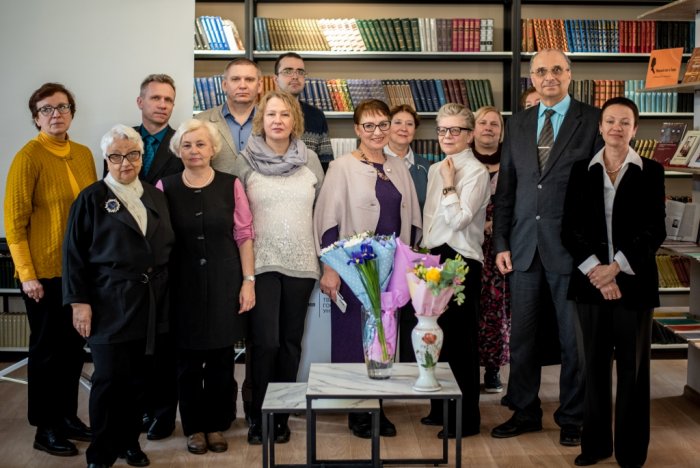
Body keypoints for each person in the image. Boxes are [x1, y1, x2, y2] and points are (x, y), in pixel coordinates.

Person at [492, 48, 603, 447]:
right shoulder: (518, 123)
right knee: (522, 338)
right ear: (532, 78)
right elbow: (507, 188)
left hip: (572, 251)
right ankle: (525, 411)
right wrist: (501, 241)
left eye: (557, 69)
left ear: (569, 74)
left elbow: (598, 193)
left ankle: (573, 417)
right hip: (523, 248)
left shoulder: (591, 120)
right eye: (541, 71)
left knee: (574, 341)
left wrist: (595, 252)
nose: (549, 77)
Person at [561, 97, 666, 468]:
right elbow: (569, 230)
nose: (616, 128)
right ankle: (596, 446)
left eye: (624, 122)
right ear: (600, 126)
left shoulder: (651, 171)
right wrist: (598, 272)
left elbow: (654, 230)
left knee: (633, 372)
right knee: (593, 368)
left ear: (634, 129)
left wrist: (615, 268)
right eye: (610, 121)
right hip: (591, 285)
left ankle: (631, 452)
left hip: (634, 285)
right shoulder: (581, 170)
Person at [63, 124, 175, 468]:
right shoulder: (91, 198)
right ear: (106, 159)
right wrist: (79, 303)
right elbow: (73, 255)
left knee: (140, 380)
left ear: (141, 156)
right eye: (116, 156)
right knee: (109, 379)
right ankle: (101, 452)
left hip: (150, 302)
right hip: (108, 302)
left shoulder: (155, 195)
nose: (125, 163)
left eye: (132, 155)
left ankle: (129, 443)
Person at [314, 99, 421, 439]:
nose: (377, 132)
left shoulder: (398, 166)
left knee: (384, 336)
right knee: (352, 338)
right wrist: (330, 269)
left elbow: (412, 218)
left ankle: (378, 403)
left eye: (383, 124)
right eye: (369, 126)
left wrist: (408, 264)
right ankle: (357, 408)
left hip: (390, 268)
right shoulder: (341, 167)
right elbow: (327, 221)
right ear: (357, 129)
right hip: (352, 267)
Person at [4, 82, 96, 457]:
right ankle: (46, 428)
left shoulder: (84, 154)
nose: (55, 114)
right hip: (43, 275)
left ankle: (67, 417)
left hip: (79, 273)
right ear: (36, 117)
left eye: (62, 107)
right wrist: (27, 275)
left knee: (73, 351)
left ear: (72, 111)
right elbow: (14, 223)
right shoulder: (29, 157)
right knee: (47, 354)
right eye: (46, 109)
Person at [158, 119, 255, 455]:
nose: (194, 150)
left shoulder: (231, 184)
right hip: (180, 286)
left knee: (221, 359)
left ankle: (216, 424)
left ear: (213, 149)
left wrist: (248, 281)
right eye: (186, 145)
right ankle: (194, 428)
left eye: (200, 144)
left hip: (224, 283)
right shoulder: (165, 186)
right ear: (178, 151)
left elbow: (244, 235)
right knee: (186, 362)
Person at [234, 90, 325, 445]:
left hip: (302, 264)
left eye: (285, 114)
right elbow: (237, 220)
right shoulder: (244, 161)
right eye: (271, 114)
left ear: (295, 121)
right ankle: (259, 418)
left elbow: (321, 212)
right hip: (261, 264)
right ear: (262, 119)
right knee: (265, 343)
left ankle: (282, 417)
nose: (277, 120)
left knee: (290, 344)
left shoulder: (310, 160)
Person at [420, 103, 490, 438]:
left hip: (461, 259)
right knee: (435, 337)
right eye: (442, 130)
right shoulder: (436, 168)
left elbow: (459, 220)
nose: (447, 136)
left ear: (470, 134)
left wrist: (450, 184)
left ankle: (465, 420)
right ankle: (440, 409)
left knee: (461, 343)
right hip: (434, 257)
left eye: (455, 130)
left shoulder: (476, 172)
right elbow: (430, 219)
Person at [131, 73, 182, 442]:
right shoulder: (122, 141)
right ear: (141, 102)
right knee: (134, 343)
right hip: (130, 259)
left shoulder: (182, 144)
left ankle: (163, 416)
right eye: (155, 98)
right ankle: (136, 412)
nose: (162, 105)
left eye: (168, 100)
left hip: (169, 254)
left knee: (166, 343)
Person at [471, 106, 510, 394]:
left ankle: (493, 368)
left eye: (494, 124)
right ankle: (468, 366)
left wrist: (498, 226)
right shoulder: (461, 160)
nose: (488, 128)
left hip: (502, 247)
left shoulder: (512, 161)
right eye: (482, 122)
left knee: (497, 310)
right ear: (472, 129)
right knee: (469, 306)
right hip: (469, 243)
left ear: (501, 131)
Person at [196, 58, 263, 175]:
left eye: (249, 79)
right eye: (235, 79)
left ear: (260, 86)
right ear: (224, 85)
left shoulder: (273, 122)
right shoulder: (200, 121)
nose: (242, 85)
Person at [274, 52, 333, 167]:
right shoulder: (262, 114)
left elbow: (325, 164)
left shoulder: (317, 116)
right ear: (276, 79)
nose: (295, 76)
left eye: (300, 72)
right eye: (288, 71)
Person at [385, 104, 429, 211]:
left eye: (409, 124)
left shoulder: (426, 166)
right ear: (387, 127)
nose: (404, 128)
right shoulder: (373, 163)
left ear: (414, 129)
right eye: (398, 122)